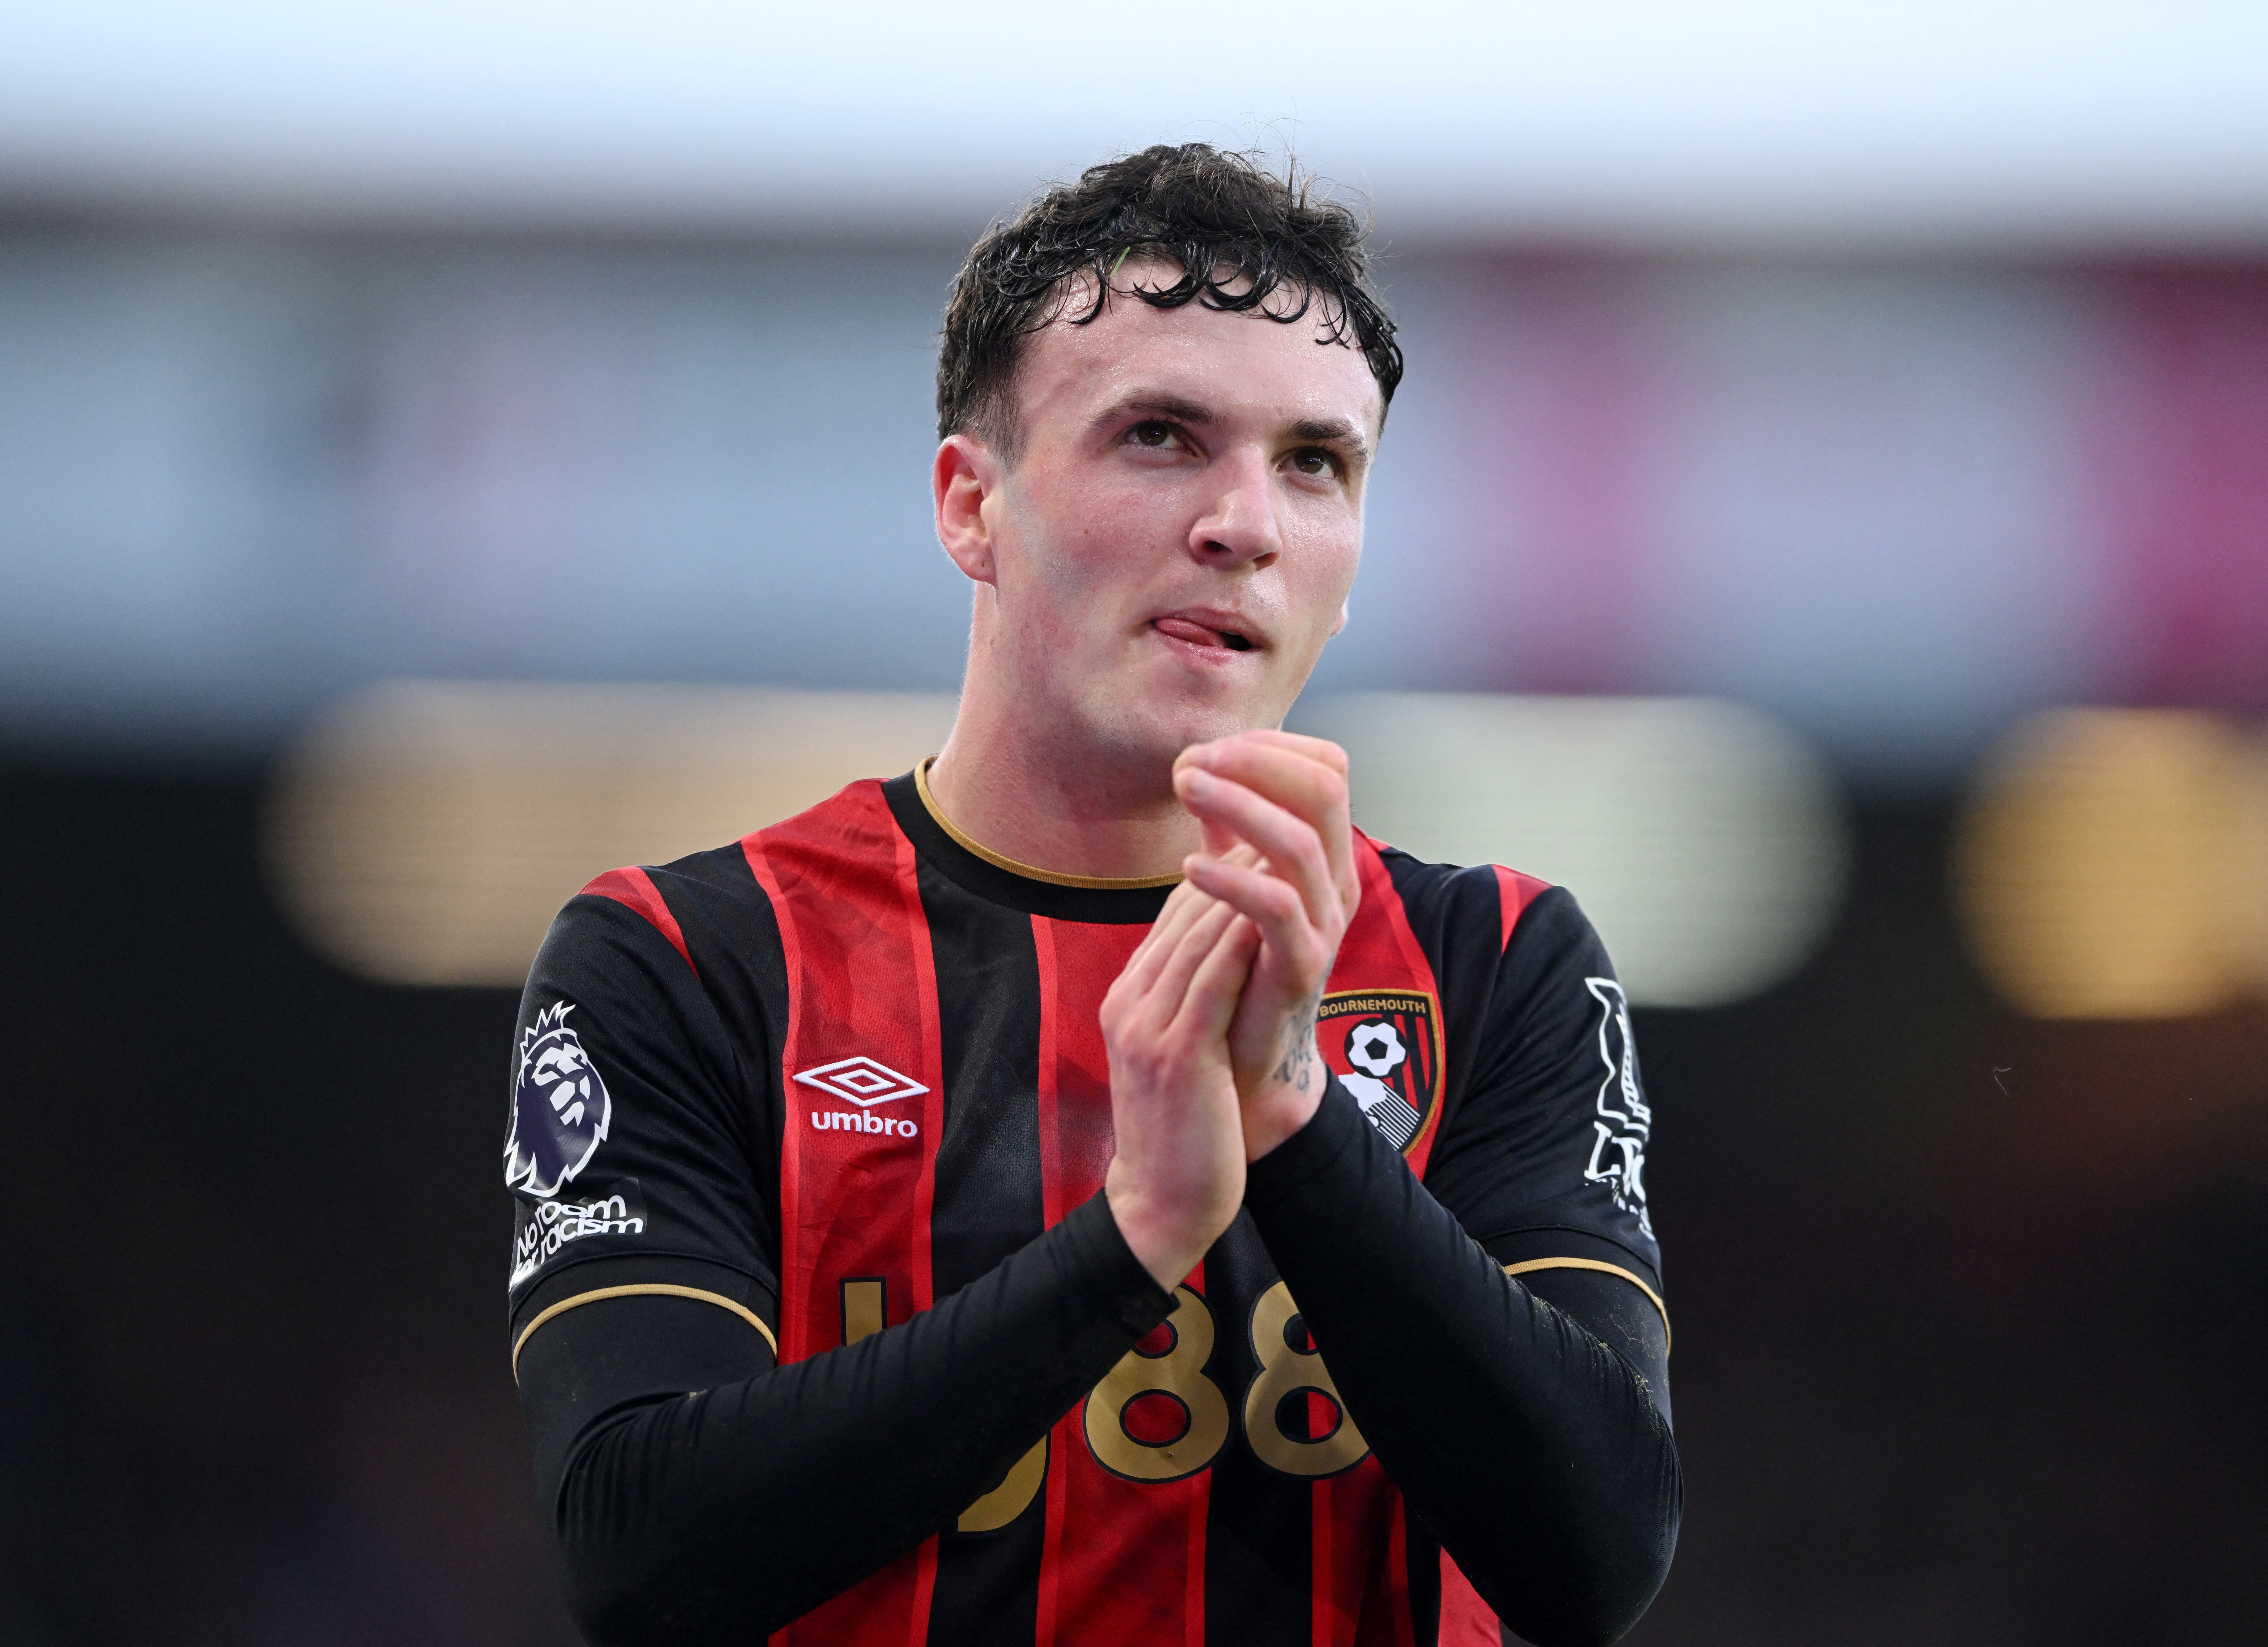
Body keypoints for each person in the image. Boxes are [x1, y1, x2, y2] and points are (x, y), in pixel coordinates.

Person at [503, 143, 1679, 1647]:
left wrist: (1299, 1121)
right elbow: (640, 1558)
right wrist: (1133, 1241)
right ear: (969, 506)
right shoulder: (684, 961)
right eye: (1162, 435)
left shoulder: (1498, 961)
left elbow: (1595, 1554)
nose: (1245, 521)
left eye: (1316, 461)